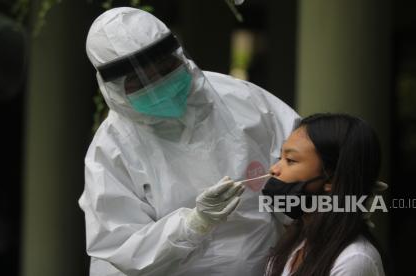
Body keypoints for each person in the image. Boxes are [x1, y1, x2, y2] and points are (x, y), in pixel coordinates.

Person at [78, 7, 300, 276]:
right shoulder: (111, 148)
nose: (157, 84)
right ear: (114, 88)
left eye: (165, 69)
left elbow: (309, 166)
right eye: (139, 81)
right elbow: (119, 246)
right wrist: (194, 223)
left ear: (179, 57)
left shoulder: (242, 100)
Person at [262, 113, 387, 276]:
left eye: (290, 160)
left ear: (332, 178)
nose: (274, 169)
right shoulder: (297, 243)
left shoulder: (353, 260)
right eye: (280, 157)